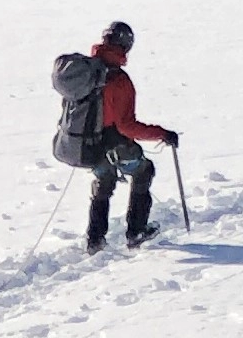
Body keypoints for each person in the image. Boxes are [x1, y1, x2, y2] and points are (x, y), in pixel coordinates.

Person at [71, 20, 177, 251]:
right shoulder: (119, 80)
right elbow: (127, 126)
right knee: (143, 170)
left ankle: (95, 239)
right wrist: (162, 134)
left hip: (88, 143)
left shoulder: (85, 72)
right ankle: (136, 231)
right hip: (114, 142)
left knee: (104, 182)